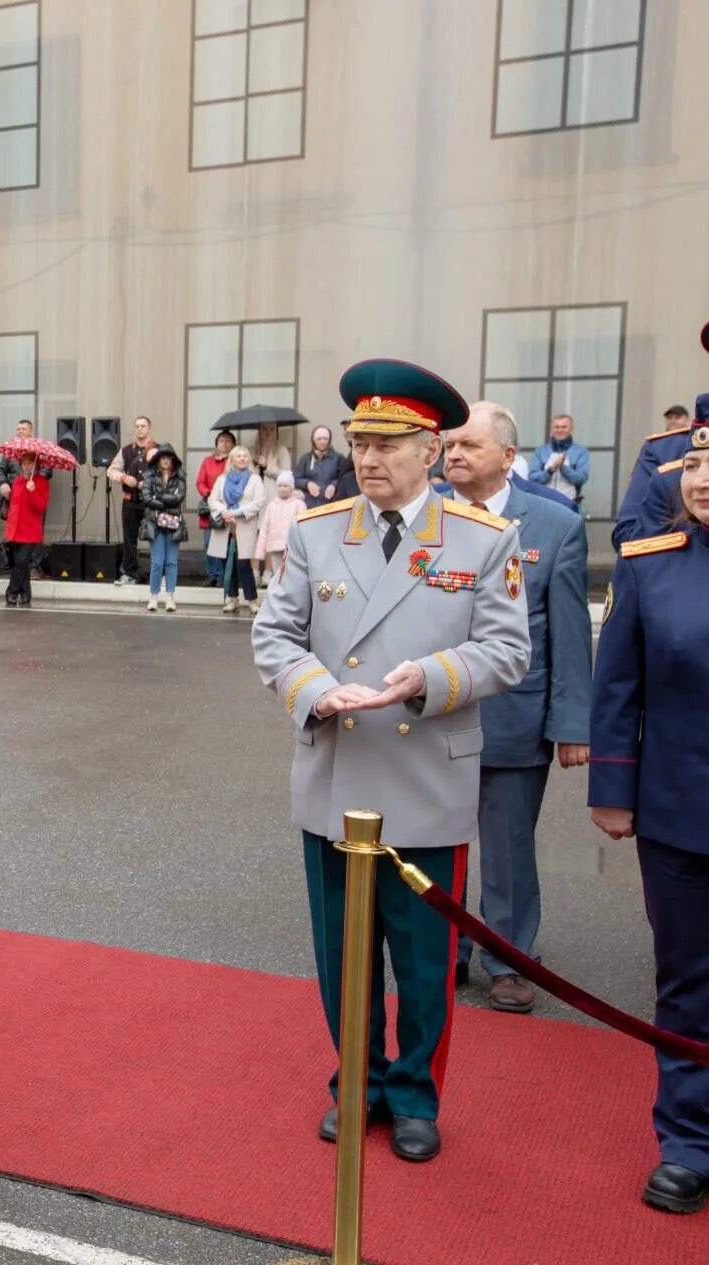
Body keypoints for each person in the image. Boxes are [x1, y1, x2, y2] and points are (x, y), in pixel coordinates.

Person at [253, 358, 530, 1164]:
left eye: (387, 442)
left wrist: (428, 680)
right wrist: (315, 688)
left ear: (431, 449)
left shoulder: (482, 537)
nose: (367, 457)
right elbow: (274, 635)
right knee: (343, 955)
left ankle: (413, 1093)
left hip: (425, 773)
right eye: (358, 440)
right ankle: (357, 1082)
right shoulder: (315, 531)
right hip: (335, 769)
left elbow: (506, 651)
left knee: (420, 959)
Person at [589, 432, 709, 1214]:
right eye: (696, 462)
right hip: (680, 809)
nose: (701, 479)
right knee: (687, 982)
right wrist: (613, 788)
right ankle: (688, 1140)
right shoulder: (652, 559)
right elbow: (617, 684)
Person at [443, 400, 591, 1012]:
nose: (453, 455)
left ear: (506, 457)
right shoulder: (425, 516)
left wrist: (571, 726)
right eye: (449, 446)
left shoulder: (555, 525)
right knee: (435, 840)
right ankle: (443, 948)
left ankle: (508, 957)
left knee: (507, 847)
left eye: (468, 446)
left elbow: (568, 637)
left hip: (514, 716)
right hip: (433, 714)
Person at [615, 390, 708, 549]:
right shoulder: (662, 449)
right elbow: (628, 535)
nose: (700, 483)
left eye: (676, 417)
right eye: (691, 466)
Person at [207, 445, 266, 614]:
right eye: (238, 456)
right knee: (228, 564)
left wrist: (237, 512)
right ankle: (232, 598)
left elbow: (259, 501)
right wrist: (225, 512)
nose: (242, 458)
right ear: (232, 459)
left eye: (245, 456)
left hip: (244, 526)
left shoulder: (255, 479)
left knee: (244, 564)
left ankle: (252, 600)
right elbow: (213, 500)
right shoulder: (222, 479)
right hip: (226, 527)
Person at [106, 416, 158, 584]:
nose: (139, 429)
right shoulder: (125, 450)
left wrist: (147, 483)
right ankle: (130, 573)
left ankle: (158, 575)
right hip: (130, 500)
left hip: (152, 501)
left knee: (156, 538)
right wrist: (124, 478)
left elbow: (166, 474)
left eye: (143, 426)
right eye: (136, 426)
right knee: (129, 539)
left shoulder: (159, 450)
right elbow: (111, 471)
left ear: (149, 428)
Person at [140, 447, 187, 612]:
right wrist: (167, 499)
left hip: (174, 525)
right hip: (155, 524)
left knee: (172, 562)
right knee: (157, 562)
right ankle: (153, 597)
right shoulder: (149, 477)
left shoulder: (180, 477)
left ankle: (170, 598)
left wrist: (157, 497)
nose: (166, 461)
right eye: (163, 458)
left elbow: (179, 498)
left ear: (173, 460)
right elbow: (145, 498)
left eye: (169, 458)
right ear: (158, 460)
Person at [3, 453, 48, 607]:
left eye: (30, 463)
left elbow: (40, 507)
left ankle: (12, 592)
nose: (27, 466)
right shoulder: (17, 481)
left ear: (36, 465)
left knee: (21, 561)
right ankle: (26, 593)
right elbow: (13, 506)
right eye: (24, 463)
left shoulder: (41, 482)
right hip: (15, 528)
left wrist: (33, 490)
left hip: (29, 530)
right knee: (20, 563)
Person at [196, 429, 234, 589]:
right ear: (216, 444)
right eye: (221, 441)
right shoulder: (207, 461)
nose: (224, 444)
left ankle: (224, 576)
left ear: (233, 445)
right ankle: (212, 575)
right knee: (208, 542)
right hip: (210, 507)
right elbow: (200, 482)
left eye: (228, 441)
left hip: (227, 507)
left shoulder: (234, 463)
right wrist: (209, 493)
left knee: (224, 544)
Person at [253, 470, 302, 591]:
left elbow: (303, 528)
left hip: (291, 548)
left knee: (290, 576)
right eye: (280, 486)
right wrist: (260, 552)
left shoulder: (298, 504)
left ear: (291, 488)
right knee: (277, 577)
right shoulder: (272, 505)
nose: (283, 489)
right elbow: (265, 529)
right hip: (274, 547)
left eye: (286, 486)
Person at [528, 414, 590, 509]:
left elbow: (581, 478)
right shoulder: (541, 451)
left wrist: (563, 468)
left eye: (564, 427)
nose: (560, 430)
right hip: (544, 504)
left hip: (569, 504)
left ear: (571, 429)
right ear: (552, 429)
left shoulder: (580, 452)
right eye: (557, 427)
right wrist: (550, 470)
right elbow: (533, 478)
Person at [295, 425, 350, 509]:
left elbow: (345, 478)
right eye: (319, 439)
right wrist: (307, 484)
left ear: (329, 440)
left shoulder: (338, 458)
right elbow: (295, 479)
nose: (322, 442)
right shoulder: (306, 459)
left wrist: (334, 485)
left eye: (325, 439)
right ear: (314, 441)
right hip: (309, 505)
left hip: (331, 504)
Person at [250, 420, 293, 492]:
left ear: (276, 432)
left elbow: (286, 476)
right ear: (259, 431)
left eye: (272, 429)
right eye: (264, 429)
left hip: (273, 496)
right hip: (254, 495)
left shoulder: (282, 450)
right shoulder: (250, 451)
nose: (268, 433)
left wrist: (267, 467)